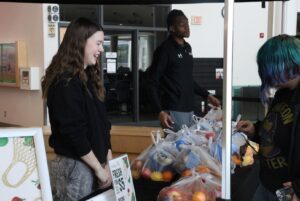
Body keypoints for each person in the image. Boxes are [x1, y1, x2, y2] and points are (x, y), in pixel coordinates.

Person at [41, 17, 113, 201]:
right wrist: (99, 169)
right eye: (98, 43)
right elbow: (73, 133)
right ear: (81, 42)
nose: (101, 49)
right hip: (76, 170)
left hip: (97, 167)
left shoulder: (88, 78)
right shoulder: (64, 82)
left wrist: (109, 163)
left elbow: (103, 125)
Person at [237, 34, 300, 201]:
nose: (267, 77)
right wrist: (255, 130)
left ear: (284, 65)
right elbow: (274, 128)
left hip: (288, 193)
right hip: (266, 182)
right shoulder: (283, 93)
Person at [147, 9, 220, 131]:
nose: (187, 27)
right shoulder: (164, 50)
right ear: (172, 29)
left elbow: (188, 79)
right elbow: (152, 82)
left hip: (190, 109)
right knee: (177, 147)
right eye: (182, 25)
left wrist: (207, 96)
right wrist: (159, 111)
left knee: (190, 146)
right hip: (174, 109)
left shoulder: (187, 48)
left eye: (187, 24)